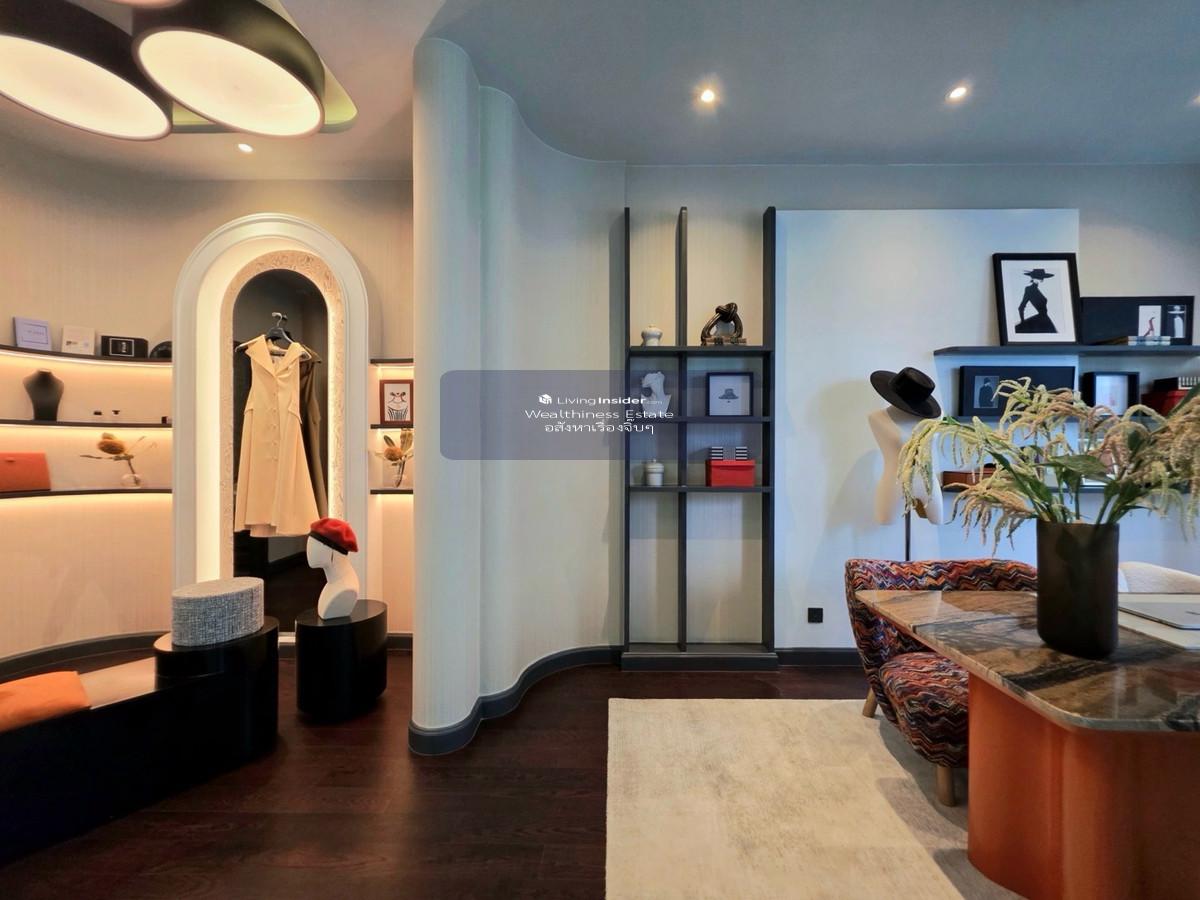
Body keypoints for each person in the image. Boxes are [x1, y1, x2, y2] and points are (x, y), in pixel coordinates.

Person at [1015, 268, 1057, 333]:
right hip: (1041, 321)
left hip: (1045, 319)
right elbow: (1021, 307)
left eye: (1042, 277)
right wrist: (1023, 322)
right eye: (1039, 277)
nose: (1042, 279)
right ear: (1033, 278)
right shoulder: (1029, 290)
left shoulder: (1037, 289)